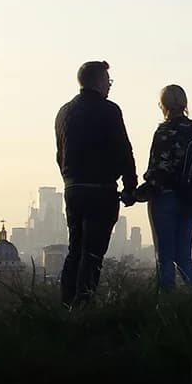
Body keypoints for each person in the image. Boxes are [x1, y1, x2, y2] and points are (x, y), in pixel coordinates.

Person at [55, 60, 137, 307]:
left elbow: (60, 154)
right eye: (108, 81)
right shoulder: (109, 110)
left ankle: (66, 306)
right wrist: (130, 186)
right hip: (100, 190)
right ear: (99, 82)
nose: (109, 86)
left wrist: (69, 180)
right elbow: (123, 150)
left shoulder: (64, 112)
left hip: (73, 189)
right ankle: (84, 304)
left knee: (75, 251)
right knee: (93, 254)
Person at [136, 84, 192, 291]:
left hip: (165, 200)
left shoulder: (164, 132)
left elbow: (158, 172)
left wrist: (137, 194)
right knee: (184, 259)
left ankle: (166, 308)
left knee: (165, 259)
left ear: (163, 106)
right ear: (185, 104)